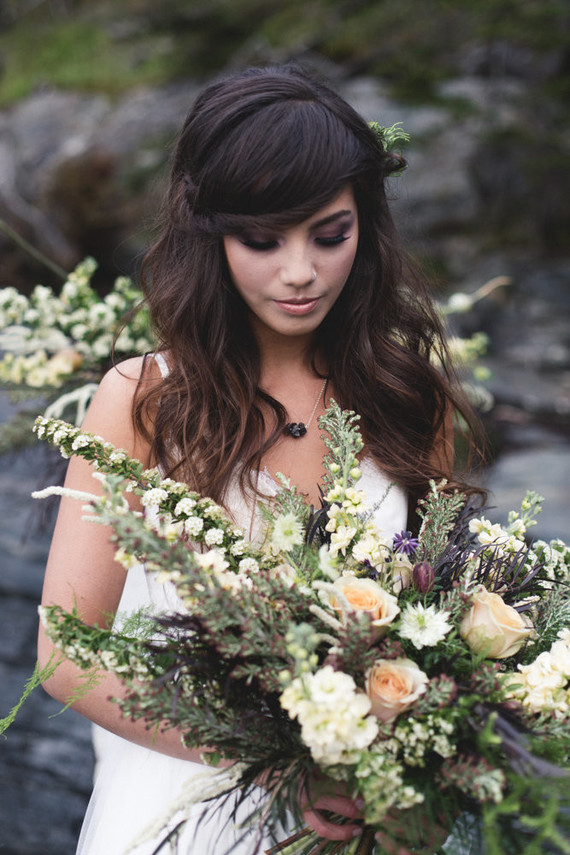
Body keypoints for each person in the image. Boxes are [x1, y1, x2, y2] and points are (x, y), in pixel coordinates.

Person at [37, 64, 473, 854]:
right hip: (181, 815)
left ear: (365, 228)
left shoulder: (411, 397)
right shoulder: (143, 401)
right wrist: (274, 763)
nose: (301, 271)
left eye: (329, 234)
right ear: (212, 235)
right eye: (263, 239)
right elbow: (67, 653)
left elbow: (436, 629)